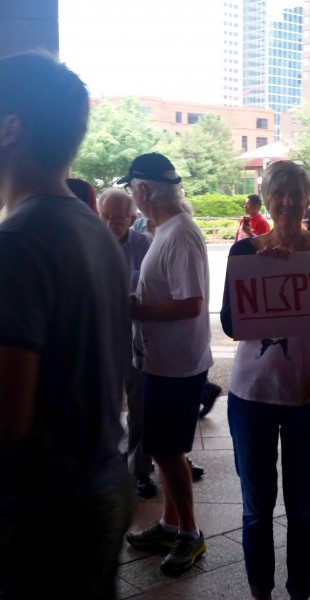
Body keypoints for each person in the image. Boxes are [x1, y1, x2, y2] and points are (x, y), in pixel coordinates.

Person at [0, 52, 132, 598]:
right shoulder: (93, 229)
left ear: (10, 129)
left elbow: (7, 417)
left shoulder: (19, 242)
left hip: (42, 514)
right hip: (97, 491)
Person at [221, 160, 310, 600]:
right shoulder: (244, 252)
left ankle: (299, 592)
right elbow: (231, 325)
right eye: (279, 193)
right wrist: (262, 273)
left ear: (308, 197)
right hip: (250, 396)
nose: (288, 201)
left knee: (303, 509)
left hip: (309, 398)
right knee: (257, 509)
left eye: (296, 192)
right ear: (267, 198)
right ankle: (260, 591)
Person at [121, 153, 213, 576]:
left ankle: (190, 534)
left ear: (142, 191)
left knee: (167, 451)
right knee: (165, 448)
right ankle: (170, 523)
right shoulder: (166, 230)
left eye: (132, 190)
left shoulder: (179, 235)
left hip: (177, 366)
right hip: (163, 361)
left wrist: (135, 310)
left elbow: (190, 304)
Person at [97, 187, 157, 498]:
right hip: (100, 341)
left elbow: (153, 291)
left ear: (132, 218)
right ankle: (106, 465)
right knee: (103, 405)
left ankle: (140, 470)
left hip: (134, 339)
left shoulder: (145, 245)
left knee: (139, 407)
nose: (109, 224)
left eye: (117, 219)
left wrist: (129, 299)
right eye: (104, 216)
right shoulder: (90, 243)